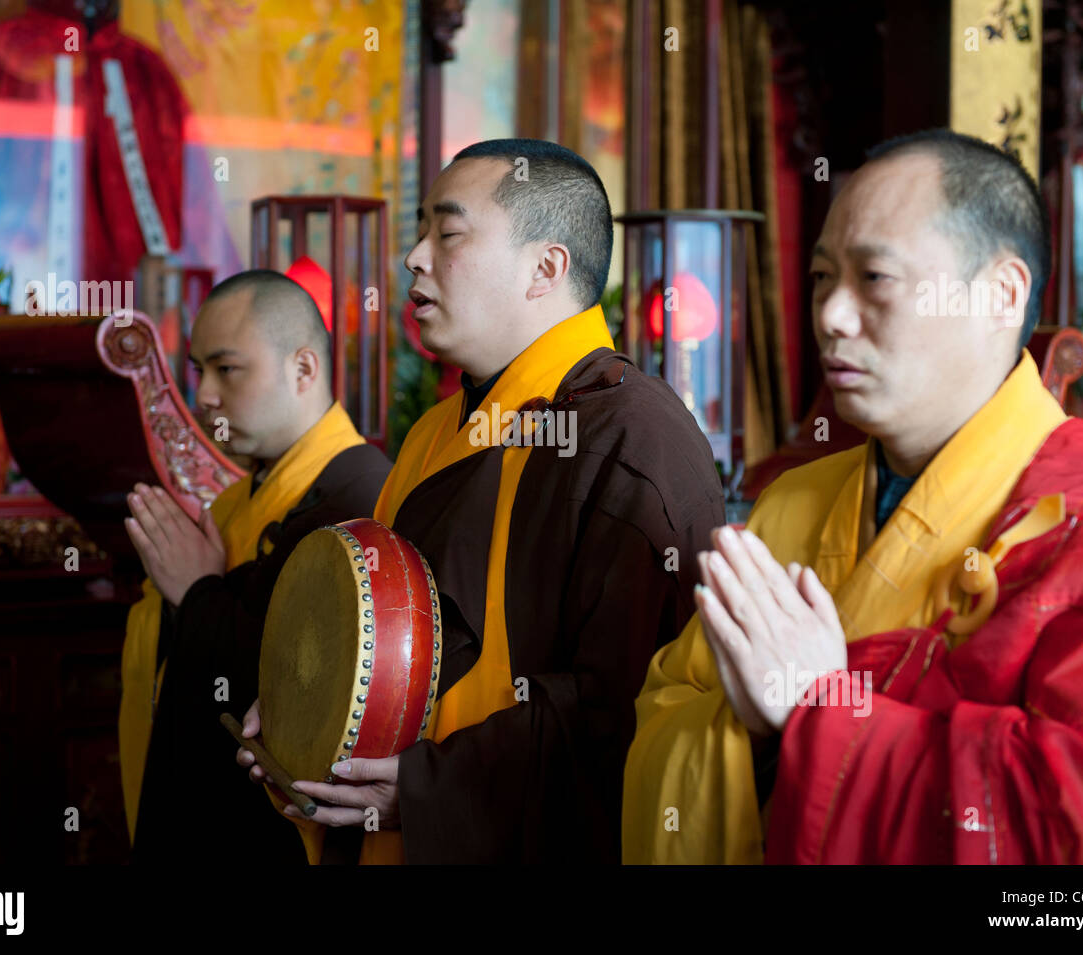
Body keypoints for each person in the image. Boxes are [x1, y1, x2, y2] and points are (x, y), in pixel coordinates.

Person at [623, 129, 1083, 865]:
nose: (831, 316)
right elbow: (662, 718)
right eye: (821, 278)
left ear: (1001, 294)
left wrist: (817, 714)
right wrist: (758, 741)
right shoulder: (789, 503)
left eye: (874, 278)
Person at [237, 138, 726, 864]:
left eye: (449, 232)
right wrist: (307, 717)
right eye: (421, 231)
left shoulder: (634, 435)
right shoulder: (436, 431)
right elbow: (381, 627)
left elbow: (628, 713)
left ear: (546, 267)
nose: (415, 257)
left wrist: (430, 789)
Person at [120, 269, 391, 864]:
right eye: (199, 372)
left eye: (227, 369)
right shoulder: (236, 501)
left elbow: (309, 695)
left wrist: (198, 591)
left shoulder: (362, 500)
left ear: (303, 369)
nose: (205, 397)